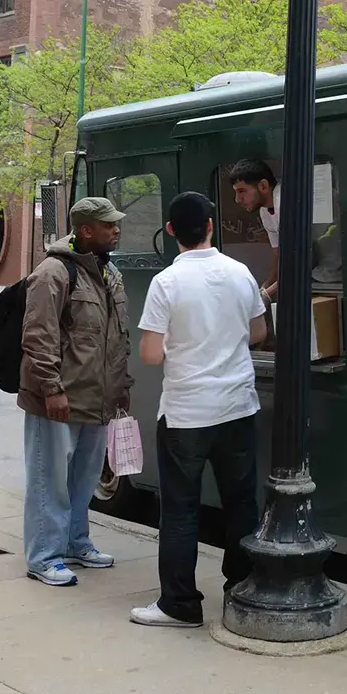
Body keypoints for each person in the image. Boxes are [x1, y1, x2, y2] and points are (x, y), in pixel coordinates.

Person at [130, 192, 267, 627]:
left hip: (186, 414)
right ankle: (242, 591)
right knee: (242, 503)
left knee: (180, 510)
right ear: (211, 225)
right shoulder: (240, 273)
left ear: (170, 231)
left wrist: (180, 343)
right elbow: (259, 332)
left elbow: (151, 354)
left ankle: (180, 604)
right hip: (238, 407)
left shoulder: (166, 283)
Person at [20, 198, 131, 587]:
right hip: (58, 398)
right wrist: (52, 388)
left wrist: (121, 387)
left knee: (83, 479)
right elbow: (39, 335)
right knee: (48, 479)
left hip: (96, 398)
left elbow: (117, 337)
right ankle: (44, 556)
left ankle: (74, 543)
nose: (116, 230)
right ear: (86, 230)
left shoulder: (109, 271)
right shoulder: (53, 272)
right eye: (109, 225)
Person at [230, 160, 280, 304]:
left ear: (263, 186)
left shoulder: (283, 201)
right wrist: (264, 288)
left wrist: (266, 295)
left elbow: (297, 261)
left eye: (242, 191)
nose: (237, 199)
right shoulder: (265, 212)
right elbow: (279, 255)